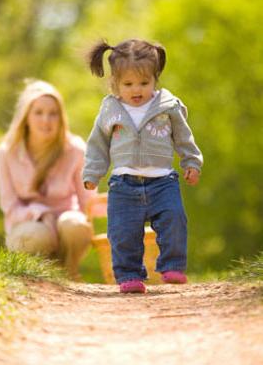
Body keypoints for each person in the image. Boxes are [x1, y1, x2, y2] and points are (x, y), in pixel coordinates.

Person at [83, 39, 203, 293]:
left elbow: (183, 137)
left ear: (155, 79)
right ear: (115, 83)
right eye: (128, 84)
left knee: (174, 219)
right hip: (124, 184)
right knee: (122, 232)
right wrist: (93, 173)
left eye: (144, 83)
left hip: (163, 182)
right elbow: (97, 144)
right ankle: (129, 275)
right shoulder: (111, 110)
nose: (136, 90)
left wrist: (191, 162)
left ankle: (171, 266)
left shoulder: (167, 107)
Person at [0, 79, 95, 280]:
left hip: (65, 226)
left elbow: (89, 201)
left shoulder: (75, 149)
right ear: (26, 117)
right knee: (36, 234)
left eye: (53, 113)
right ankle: (37, 278)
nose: (46, 120)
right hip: (26, 223)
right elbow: (9, 206)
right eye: (38, 112)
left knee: (75, 225)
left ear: (61, 117)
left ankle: (69, 274)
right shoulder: (6, 152)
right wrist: (42, 214)